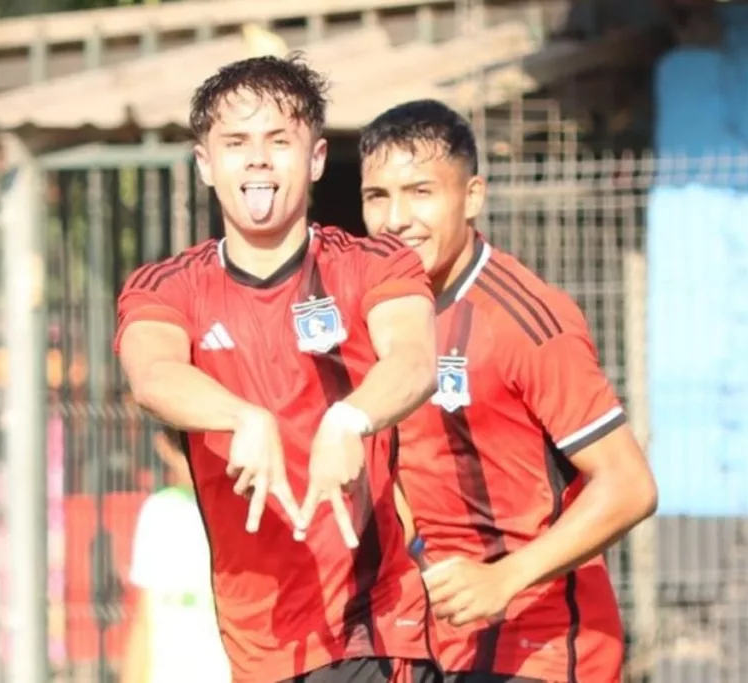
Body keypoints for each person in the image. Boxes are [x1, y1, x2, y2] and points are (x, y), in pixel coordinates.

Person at [114, 55, 440, 683]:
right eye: (236, 142)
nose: (258, 159)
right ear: (206, 163)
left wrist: (350, 418)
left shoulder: (374, 265)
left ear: (316, 158)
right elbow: (152, 376)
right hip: (253, 648)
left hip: (371, 629)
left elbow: (414, 360)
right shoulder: (167, 287)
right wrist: (242, 417)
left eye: (278, 141)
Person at [358, 99, 659, 683]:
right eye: (378, 197)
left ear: (471, 196)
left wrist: (505, 577)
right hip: (439, 641)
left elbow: (629, 484)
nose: (396, 219)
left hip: (543, 646)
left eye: (421, 192)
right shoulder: (383, 315)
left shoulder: (526, 319)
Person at [120, 428, 231, 683]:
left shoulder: (239, 511)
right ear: (163, 447)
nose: (192, 458)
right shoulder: (158, 512)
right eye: (183, 447)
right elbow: (145, 620)